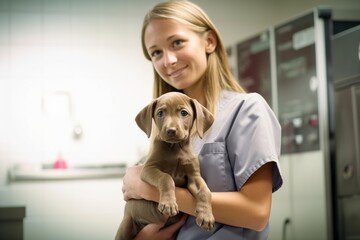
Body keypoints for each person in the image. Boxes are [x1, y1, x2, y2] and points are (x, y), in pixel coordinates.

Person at [122, 0, 283, 239]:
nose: (168, 61)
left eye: (177, 42)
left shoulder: (246, 110)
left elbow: (256, 213)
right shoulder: (164, 128)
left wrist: (152, 191)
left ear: (209, 42)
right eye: (156, 52)